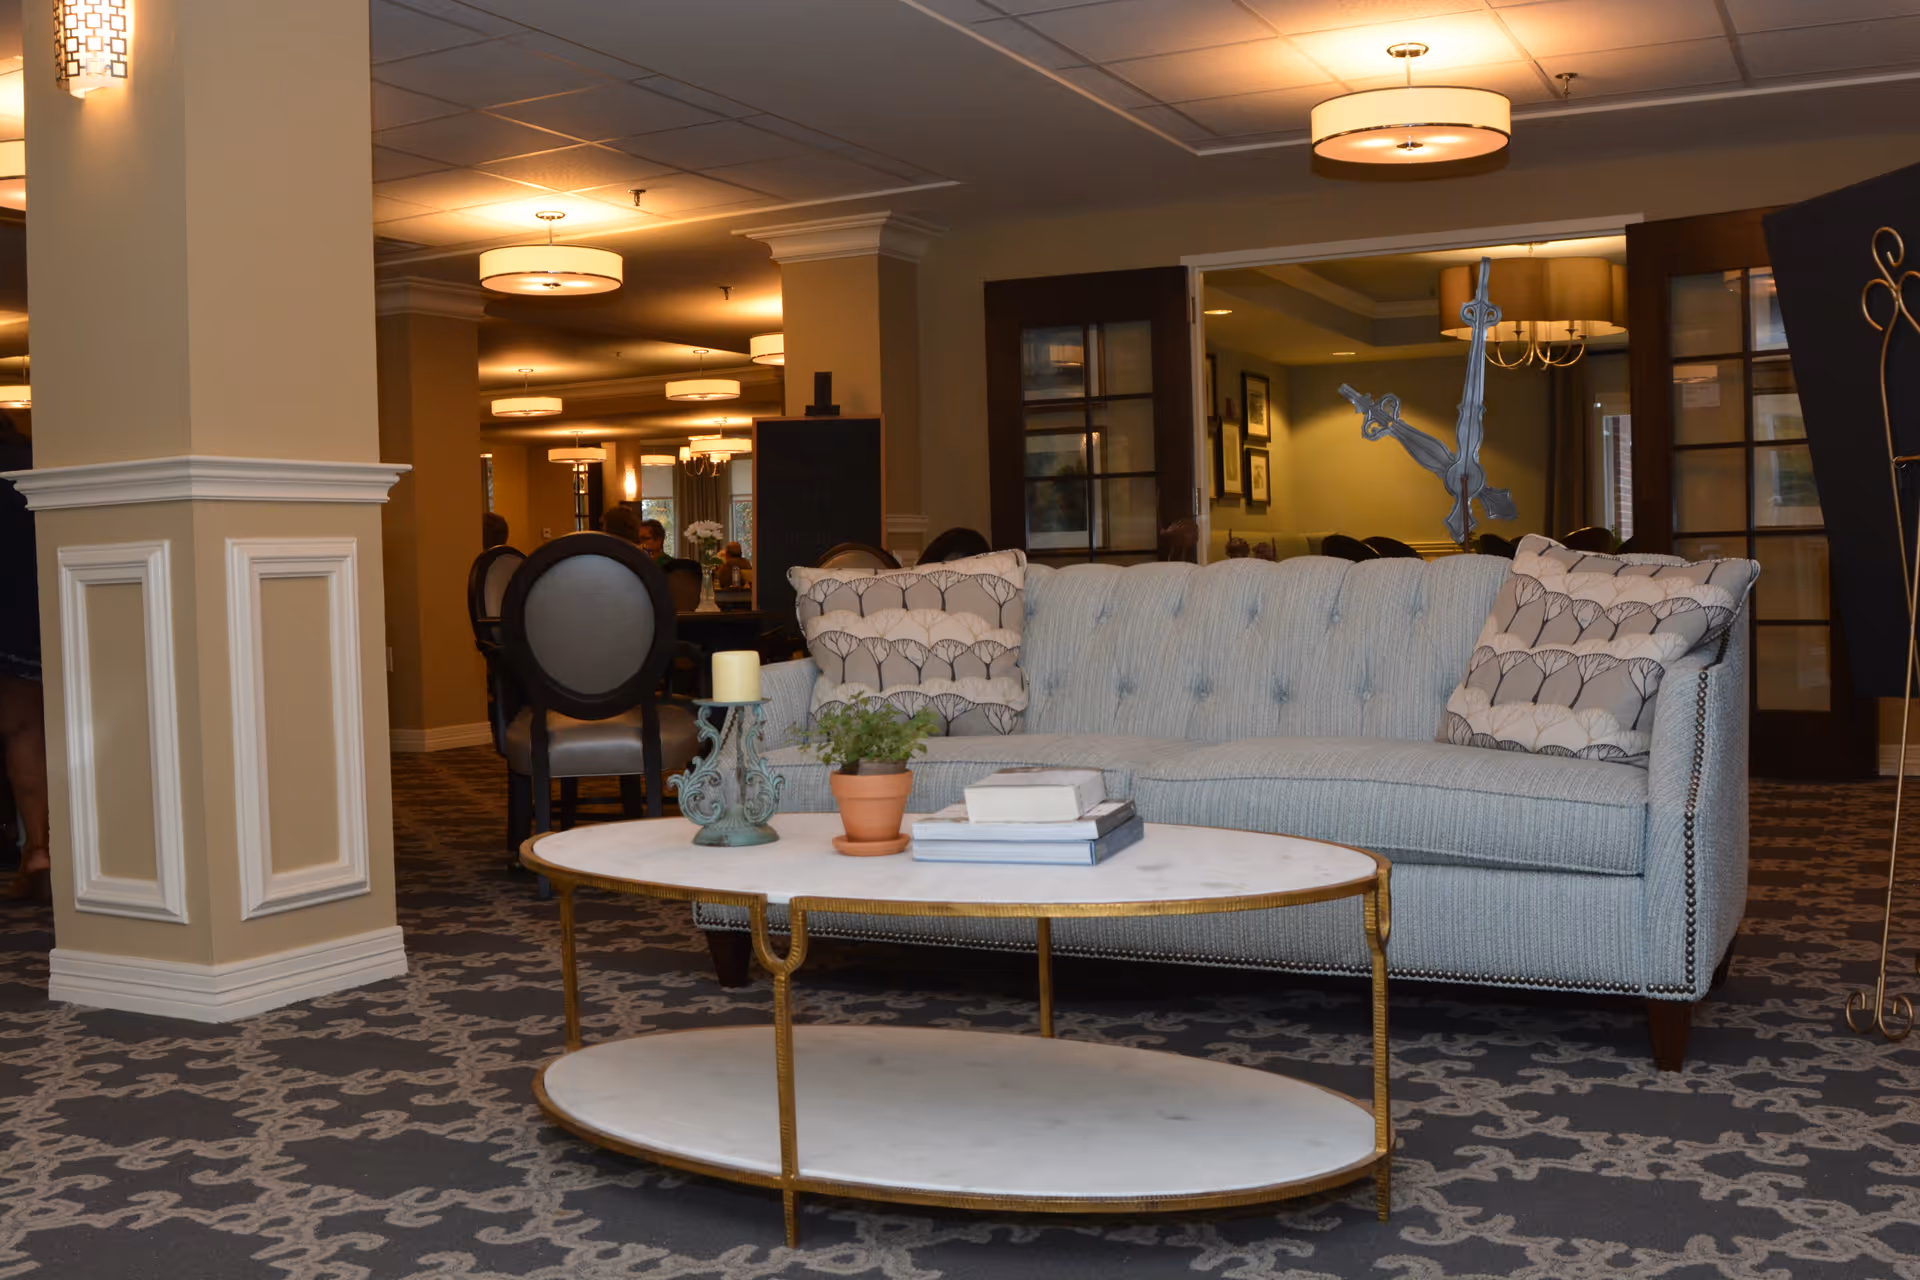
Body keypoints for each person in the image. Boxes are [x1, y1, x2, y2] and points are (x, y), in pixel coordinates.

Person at [0, 414, 47, 901]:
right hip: (66, 599)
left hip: (10, 619)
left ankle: (38, 849)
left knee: (23, 732)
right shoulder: (41, 458)